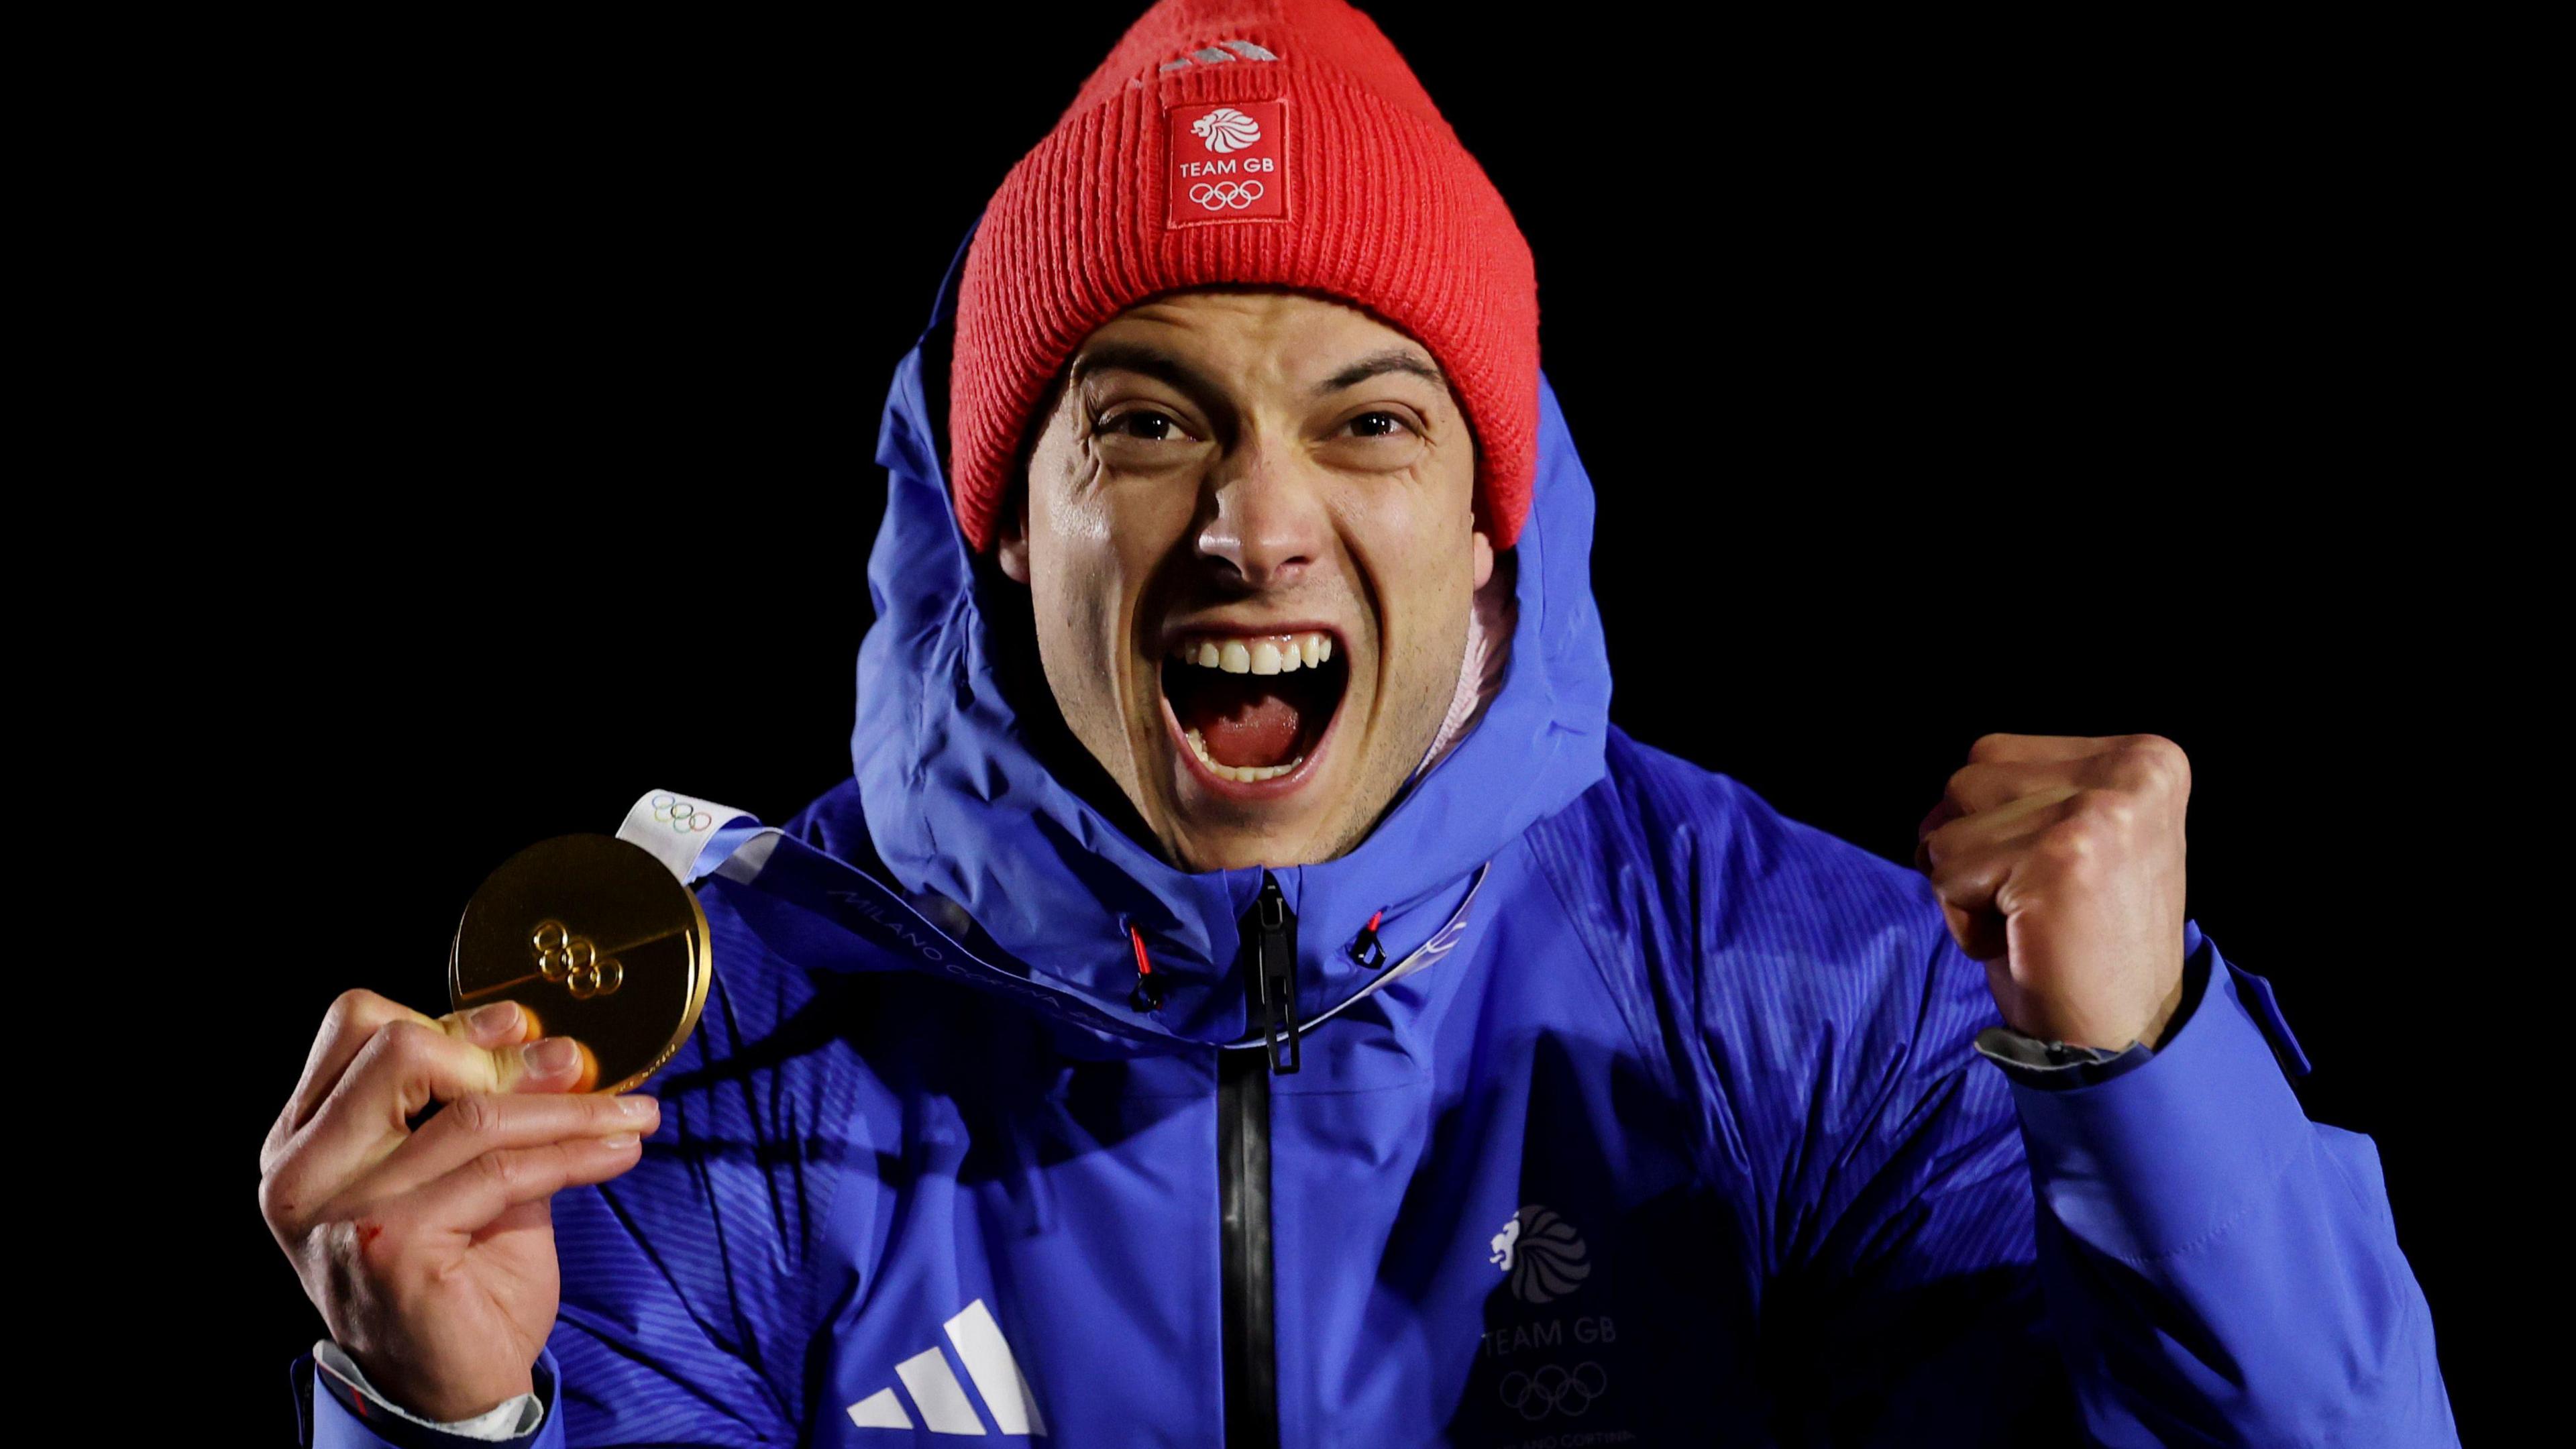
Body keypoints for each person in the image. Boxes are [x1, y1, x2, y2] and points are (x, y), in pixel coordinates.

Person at [258, 1, 2457, 1444]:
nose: (1256, 524)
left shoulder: (1799, 997)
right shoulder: (698, 1082)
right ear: (1001, 524)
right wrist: (438, 1425)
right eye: (1143, 421)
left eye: (1369, 421)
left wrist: (2154, 1093)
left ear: (1490, 526)